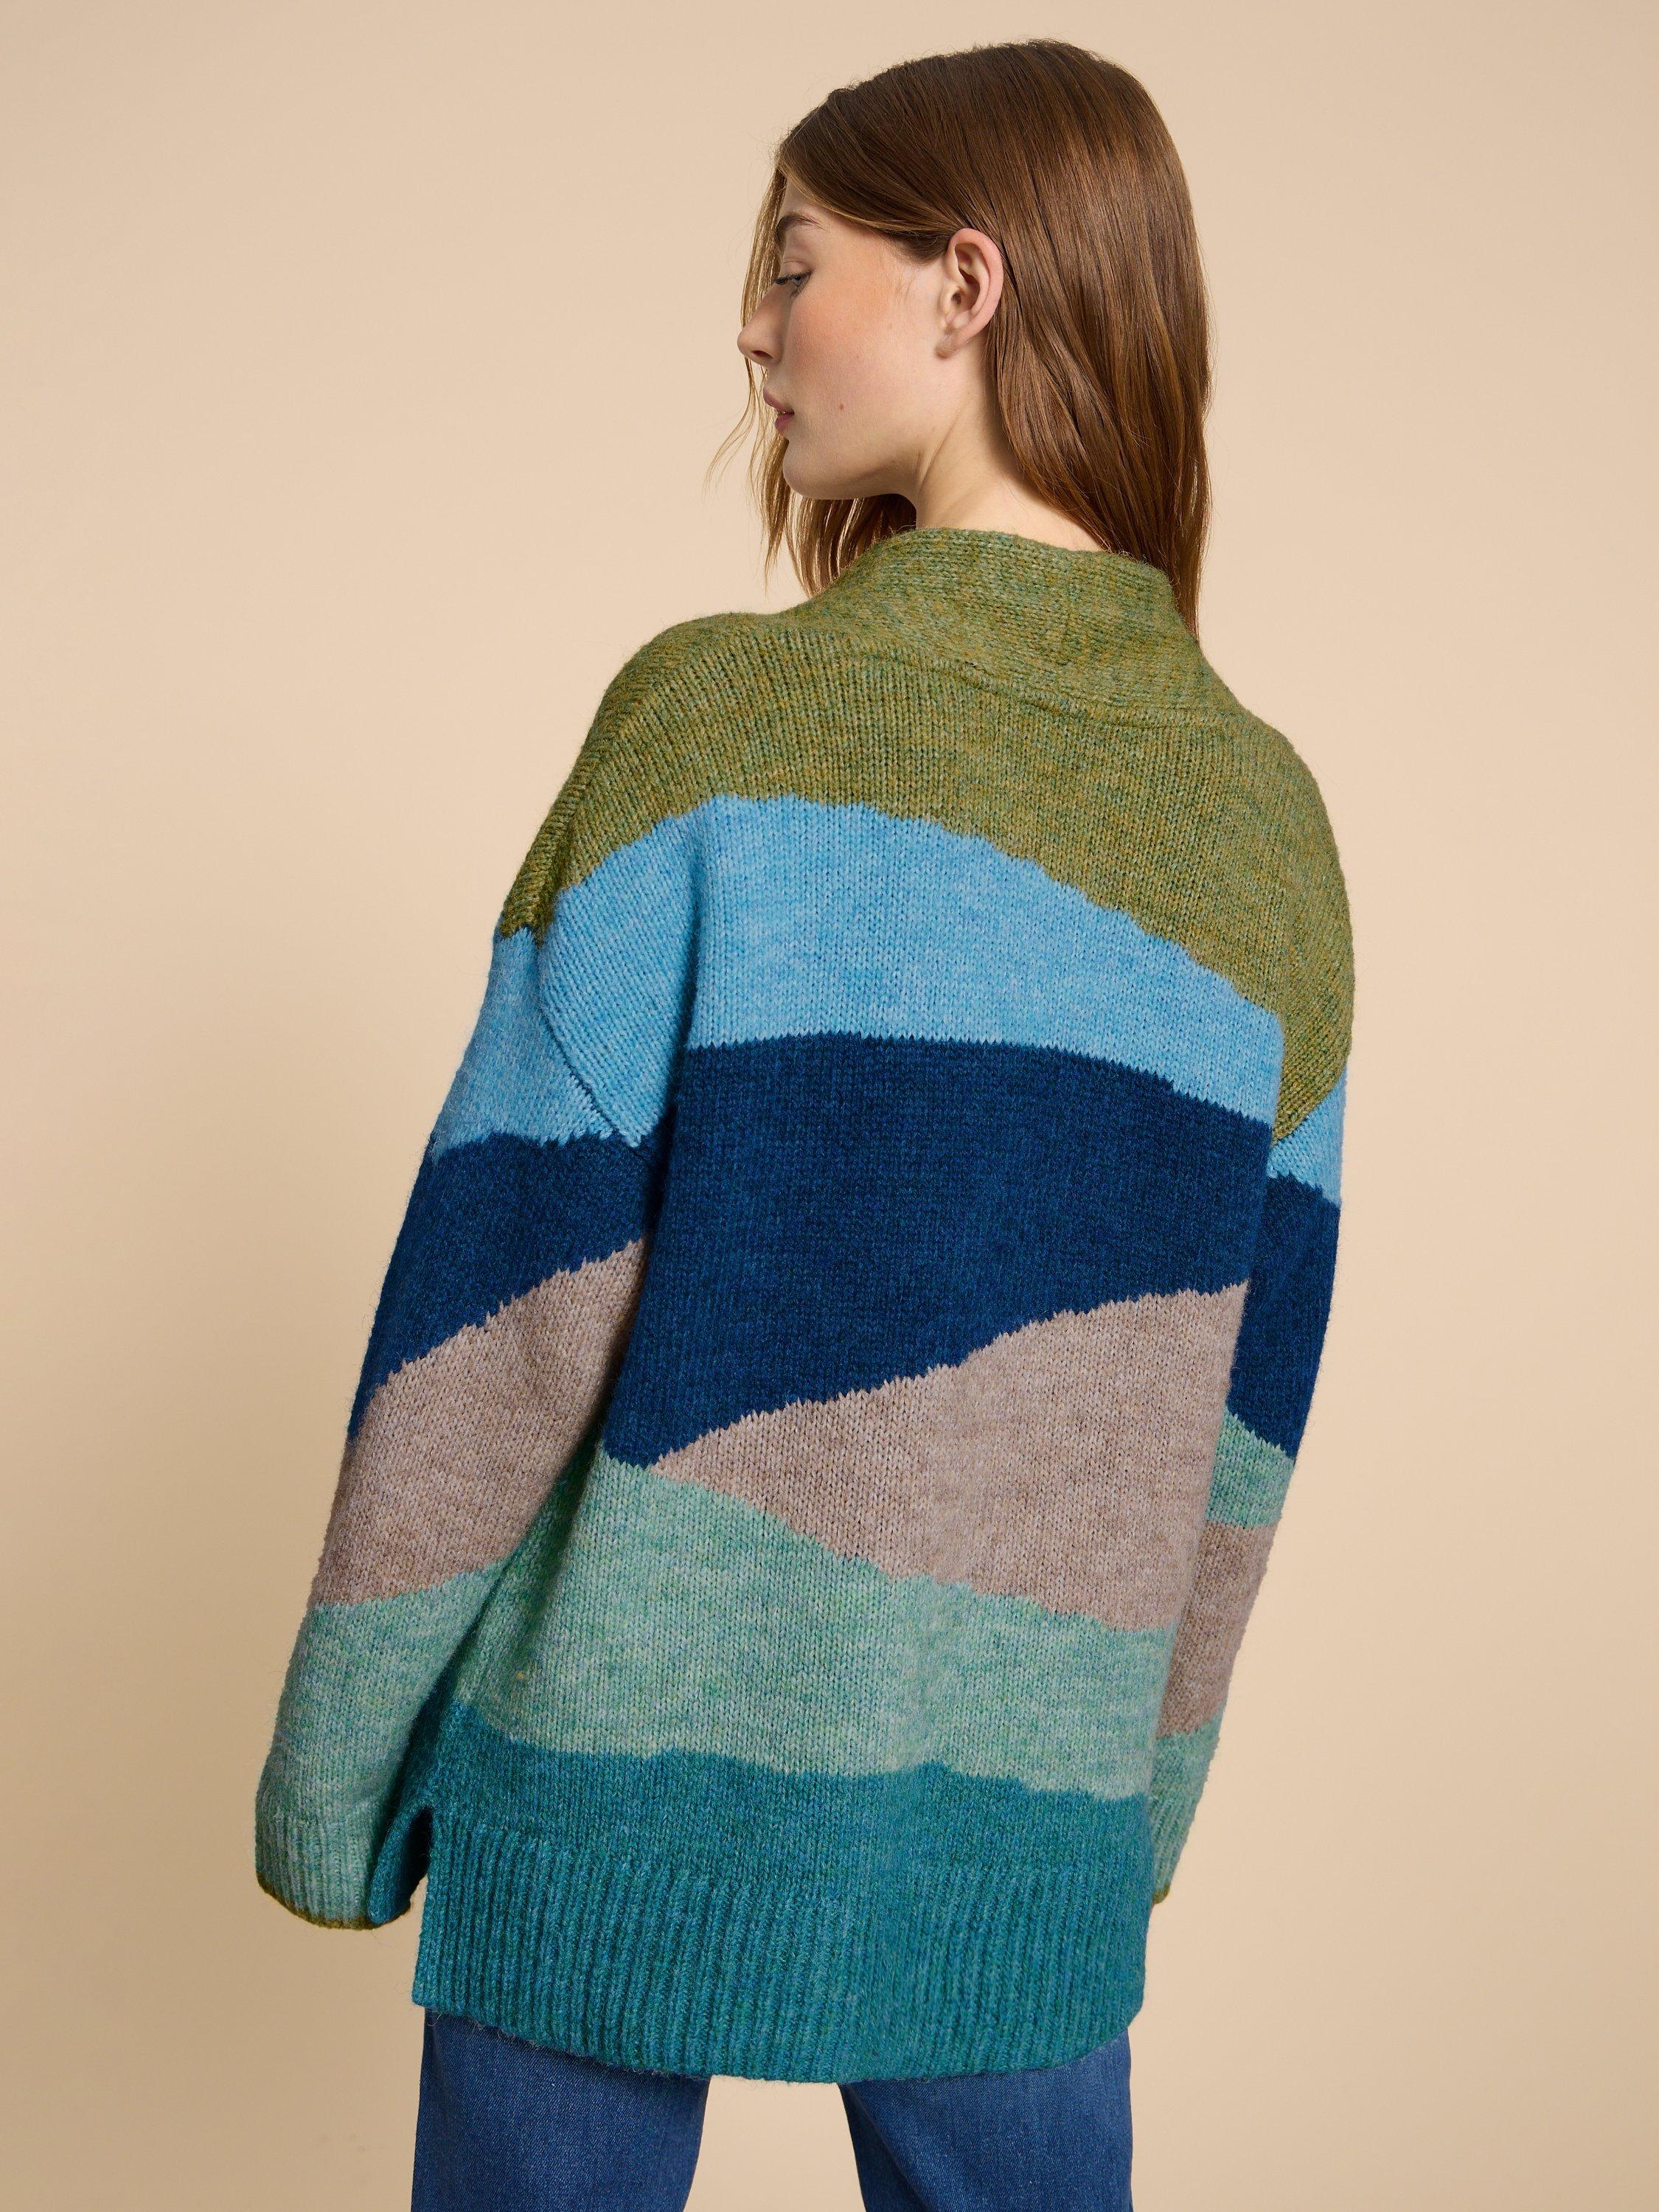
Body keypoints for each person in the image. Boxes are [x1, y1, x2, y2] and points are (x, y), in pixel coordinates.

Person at [254, 36, 1352, 2212]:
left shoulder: (717, 727)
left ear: (965, 285)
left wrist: (334, 1755)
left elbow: (507, 1288)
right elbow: (1246, 1415)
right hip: (1014, 1839)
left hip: (605, 1793)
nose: (752, 330)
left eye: (791, 262)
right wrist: (1121, 1819)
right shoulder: (1265, 830)